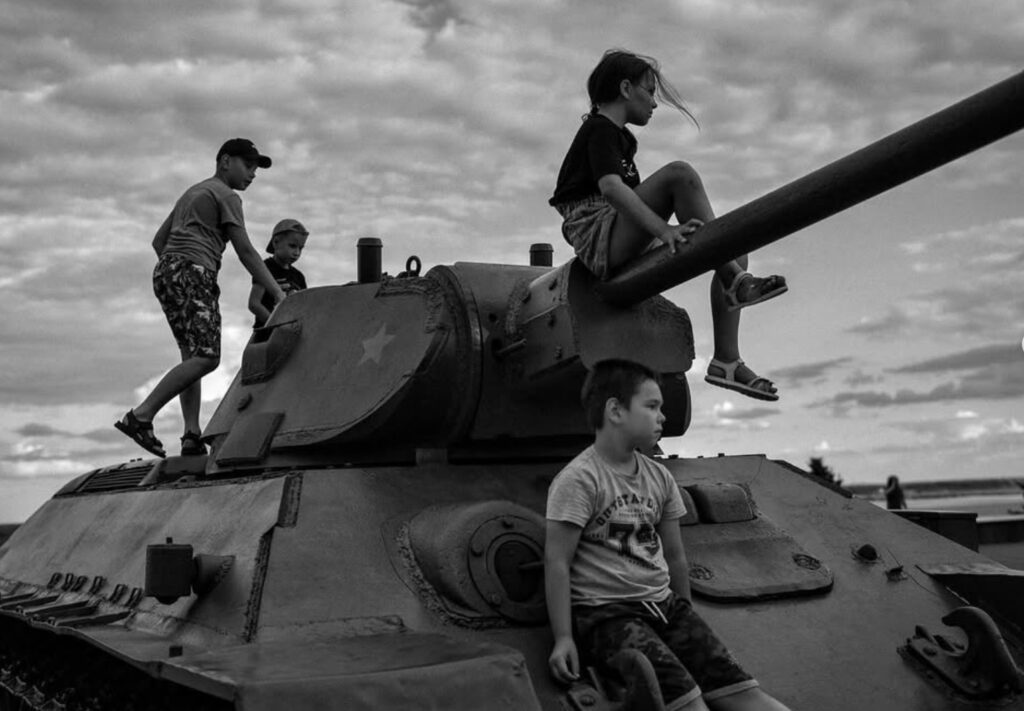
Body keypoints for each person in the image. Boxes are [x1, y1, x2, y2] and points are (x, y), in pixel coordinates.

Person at [545, 359, 792, 710]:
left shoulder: (659, 478)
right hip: (610, 616)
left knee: (743, 692)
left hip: (665, 607)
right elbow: (557, 562)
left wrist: (687, 617)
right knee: (690, 704)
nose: (663, 416)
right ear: (615, 410)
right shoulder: (580, 480)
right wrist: (564, 637)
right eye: (652, 406)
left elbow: (674, 554)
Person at [549, 50, 787, 402]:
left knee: (732, 248)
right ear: (626, 88)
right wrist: (664, 230)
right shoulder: (600, 129)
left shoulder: (620, 138)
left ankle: (726, 360)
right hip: (598, 232)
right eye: (650, 91)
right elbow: (611, 188)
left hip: (618, 229)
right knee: (680, 175)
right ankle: (735, 283)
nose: (655, 104)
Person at [115, 138, 287, 458]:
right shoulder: (226, 195)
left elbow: (159, 241)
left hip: (167, 271)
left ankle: (191, 434)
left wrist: (177, 264)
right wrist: (277, 293)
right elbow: (247, 251)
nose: (252, 174)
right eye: (247, 165)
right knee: (208, 357)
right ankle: (141, 416)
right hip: (194, 271)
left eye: (255, 169)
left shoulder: (193, 193)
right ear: (225, 161)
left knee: (191, 357)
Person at [249, 218, 309, 328]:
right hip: (265, 334)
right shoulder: (265, 268)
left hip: (290, 334)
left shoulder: (299, 277)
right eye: (292, 246)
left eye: (301, 248)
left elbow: (303, 308)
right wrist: (274, 324)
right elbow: (254, 304)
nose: (297, 253)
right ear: (276, 242)